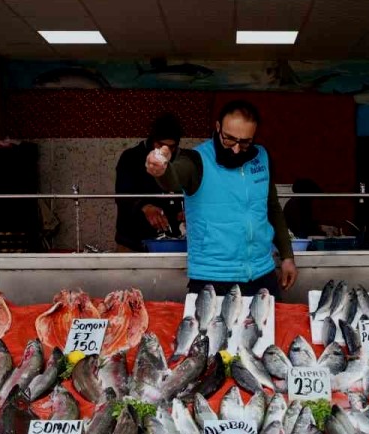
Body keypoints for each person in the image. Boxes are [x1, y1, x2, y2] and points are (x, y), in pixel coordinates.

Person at [145, 100, 297, 296]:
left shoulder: (261, 158)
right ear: (218, 128)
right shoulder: (196, 160)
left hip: (261, 274)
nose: (235, 148)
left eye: (244, 142)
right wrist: (161, 169)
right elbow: (173, 178)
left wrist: (287, 256)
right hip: (212, 279)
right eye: (229, 139)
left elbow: (272, 208)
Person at [114, 113, 185, 252]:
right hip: (132, 242)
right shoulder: (130, 158)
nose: (166, 151)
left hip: (171, 243)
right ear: (152, 140)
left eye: (172, 147)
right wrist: (145, 206)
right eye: (161, 145)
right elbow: (122, 195)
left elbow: (192, 192)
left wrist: (187, 211)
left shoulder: (182, 161)